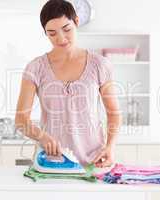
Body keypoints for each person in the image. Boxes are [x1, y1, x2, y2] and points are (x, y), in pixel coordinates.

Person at [15, 0, 121, 167]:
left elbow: (114, 113)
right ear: (45, 33)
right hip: (52, 163)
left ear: (76, 22)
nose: (61, 38)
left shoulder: (99, 65)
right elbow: (21, 119)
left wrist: (110, 147)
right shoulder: (35, 68)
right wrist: (43, 136)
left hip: (94, 162)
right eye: (52, 33)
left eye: (66, 29)